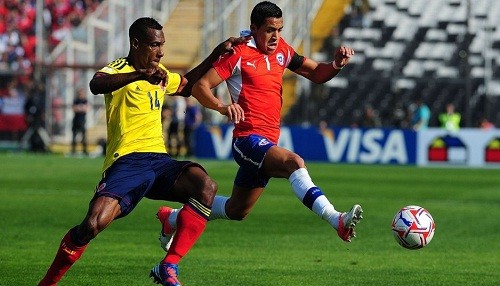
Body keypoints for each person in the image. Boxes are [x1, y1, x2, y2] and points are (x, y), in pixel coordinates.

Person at [38, 17, 243, 286]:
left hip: (158, 161)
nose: (160, 52)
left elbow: (186, 85)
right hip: (126, 162)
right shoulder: (120, 69)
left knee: (205, 186)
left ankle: (168, 265)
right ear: (136, 44)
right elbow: (96, 84)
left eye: (162, 45)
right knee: (92, 225)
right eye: (155, 45)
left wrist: (216, 53)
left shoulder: (159, 74)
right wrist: (138, 75)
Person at [156, 1, 363, 254]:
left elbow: (317, 74)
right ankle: (336, 219)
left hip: (267, 142)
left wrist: (336, 65)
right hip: (247, 140)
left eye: (279, 29)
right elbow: (200, 87)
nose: (276, 36)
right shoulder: (238, 53)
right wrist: (222, 107)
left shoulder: (283, 51)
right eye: (269, 30)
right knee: (293, 163)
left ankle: (173, 218)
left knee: (236, 210)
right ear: (254, 28)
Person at [71, 88, 89, 155]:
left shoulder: (85, 100)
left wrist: (79, 108)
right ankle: (73, 151)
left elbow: (86, 109)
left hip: (82, 121)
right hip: (76, 121)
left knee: (84, 137)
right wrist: (80, 108)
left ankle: (85, 151)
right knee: (74, 137)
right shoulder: (76, 100)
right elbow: (74, 108)